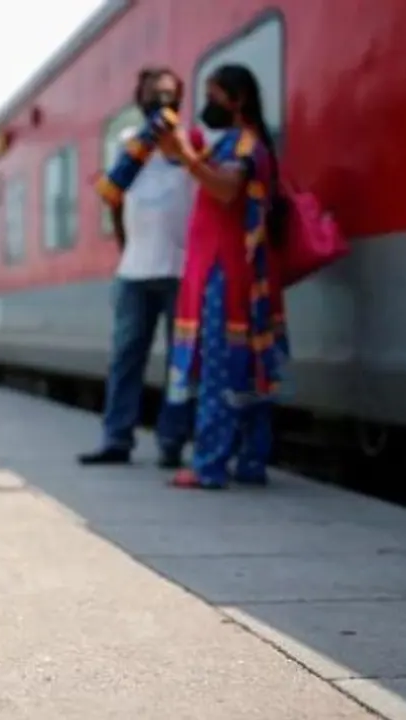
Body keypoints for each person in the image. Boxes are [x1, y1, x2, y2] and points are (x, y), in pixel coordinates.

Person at [155, 63, 290, 490]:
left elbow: (225, 190)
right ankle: (251, 461)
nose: (207, 106)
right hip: (239, 274)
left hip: (226, 275)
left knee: (218, 370)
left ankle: (209, 465)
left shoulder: (243, 146)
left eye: (214, 97)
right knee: (245, 369)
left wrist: (187, 158)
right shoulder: (237, 143)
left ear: (238, 100)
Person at [78, 66, 197, 470]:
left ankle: (172, 443)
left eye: (168, 95)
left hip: (181, 270)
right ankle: (116, 439)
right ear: (140, 99)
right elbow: (114, 198)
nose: (161, 103)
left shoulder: (190, 143)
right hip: (135, 271)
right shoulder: (129, 144)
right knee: (126, 358)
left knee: (181, 364)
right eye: (153, 95)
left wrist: (179, 148)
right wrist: (125, 247)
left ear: (180, 99)